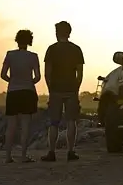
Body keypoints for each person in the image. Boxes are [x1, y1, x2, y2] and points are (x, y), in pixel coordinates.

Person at [41, 21, 84, 162]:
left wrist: (50, 89)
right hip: (71, 88)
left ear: (56, 33)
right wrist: (76, 88)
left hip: (56, 89)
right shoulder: (76, 49)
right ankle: (71, 151)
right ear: (69, 32)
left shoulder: (51, 49)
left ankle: (51, 152)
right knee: (71, 121)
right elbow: (80, 73)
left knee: (54, 122)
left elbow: (47, 73)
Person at [0, 29, 41, 163]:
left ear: (17, 40)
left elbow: (3, 74)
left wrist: (12, 81)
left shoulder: (10, 55)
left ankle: (7, 156)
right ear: (29, 41)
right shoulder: (33, 56)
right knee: (25, 125)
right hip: (27, 92)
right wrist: (29, 82)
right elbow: (38, 76)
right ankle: (23, 155)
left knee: (11, 125)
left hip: (13, 92)